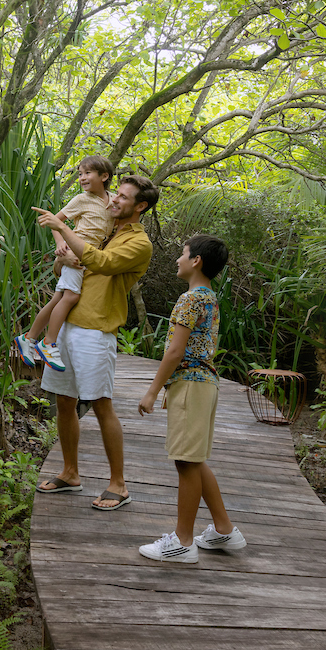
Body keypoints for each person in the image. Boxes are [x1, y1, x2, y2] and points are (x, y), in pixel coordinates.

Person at [30, 175, 156, 511]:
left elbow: (103, 263)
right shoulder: (101, 227)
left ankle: (119, 484)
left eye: (124, 197)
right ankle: (70, 473)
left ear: (140, 206)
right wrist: (62, 257)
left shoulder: (139, 243)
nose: (114, 200)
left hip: (96, 329)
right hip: (66, 324)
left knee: (101, 404)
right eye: (117, 194)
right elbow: (63, 269)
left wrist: (62, 226)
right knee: (64, 402)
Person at [136, 234, 247, 562]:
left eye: (182, 254)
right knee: (193, 459)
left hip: (190, 383)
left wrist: (152, 391)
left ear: (196, 260)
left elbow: (175, 351)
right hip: (205, 383)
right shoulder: (209, 297)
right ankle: (224, 529)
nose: (177, 259)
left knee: (185, 461)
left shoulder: (189, 299)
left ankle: (183, 542)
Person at [14, 156, 115, 372]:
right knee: (71, 297)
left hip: (89, 257)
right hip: (75, 253)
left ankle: (28, 337)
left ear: (104, 176)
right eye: (80, 174)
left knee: (57, 299)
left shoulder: (113, 200)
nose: (82, 178)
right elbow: (56, 221)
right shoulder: (81, 200)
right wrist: (61, 244)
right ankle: (49, 342)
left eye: (87, 173)